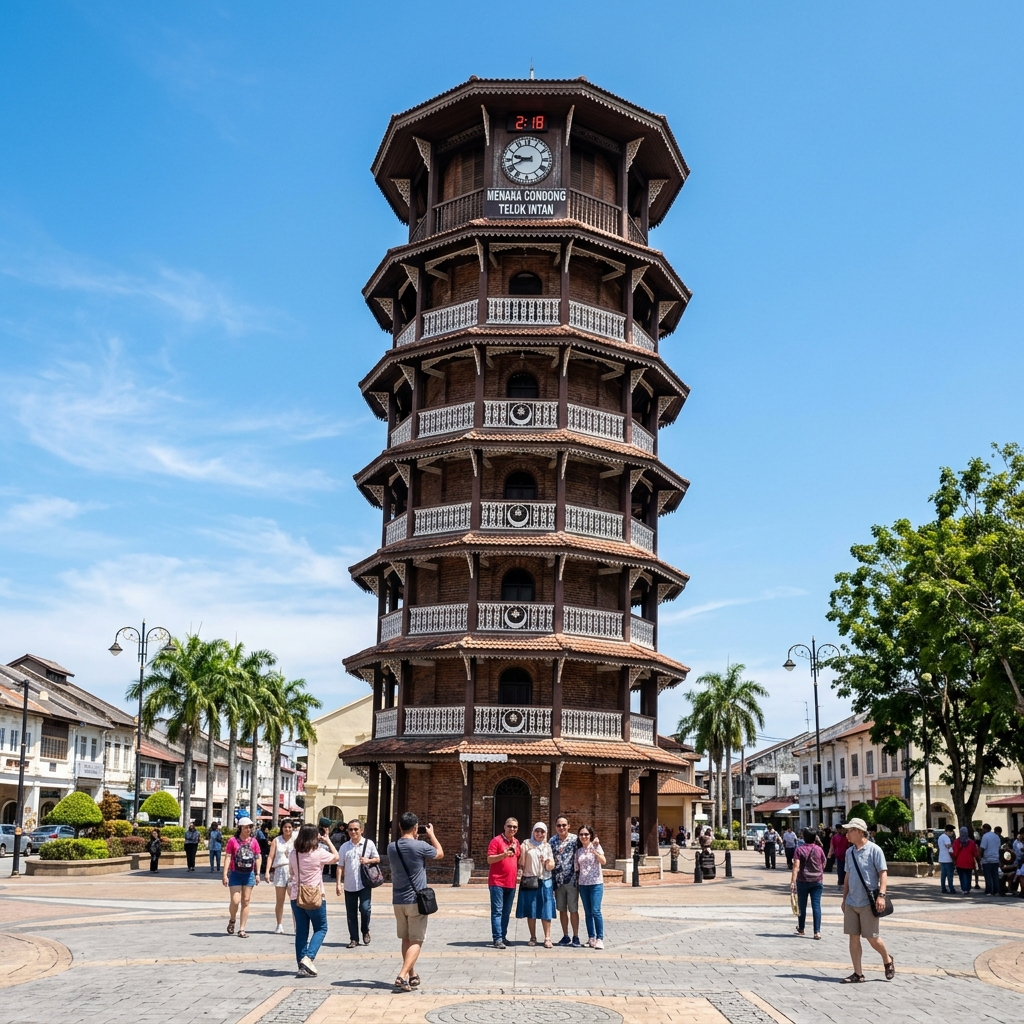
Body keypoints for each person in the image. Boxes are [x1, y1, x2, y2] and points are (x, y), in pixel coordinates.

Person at [388, 811, 442, 993]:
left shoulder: (391, 846)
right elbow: (440, 854)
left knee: (406, 938)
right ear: (416, 827)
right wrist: (432, 834)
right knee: (417, 940)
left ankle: (412, 974)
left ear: (399, 826)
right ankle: (402, 974)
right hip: (415, 900)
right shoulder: (420, 846)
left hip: (398, 900)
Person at [840, 816, 893, 983]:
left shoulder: (874, 850)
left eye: (850, 831)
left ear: (859, 832)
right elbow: (848, 876)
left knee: (873, 938)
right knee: (853, 937)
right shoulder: (850, 852)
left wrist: (882, 895)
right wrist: (844, 898)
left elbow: (882, 873)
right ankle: (858, 973)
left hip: (868, 901)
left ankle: (887, 960)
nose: (847, 834)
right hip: (851, 902)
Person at [288, 822, 338, 976]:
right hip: (315, 895)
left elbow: (292, 872)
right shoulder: (319, 853)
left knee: (301, 931)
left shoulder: (293, 853)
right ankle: (308, 958)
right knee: (321, 928)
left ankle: (301, 965)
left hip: (296, 895)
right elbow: (336, 857)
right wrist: (327, 840)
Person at [337, 818, 380, 948]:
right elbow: (340, 866)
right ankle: (354, 938)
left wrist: (368, 860)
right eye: (350, 829)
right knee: (351, 913)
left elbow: (377, 859)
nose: (353, 832)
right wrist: (338, 883)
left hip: (364, 883)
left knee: (365, 909)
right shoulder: (345, 847)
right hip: (349, 884)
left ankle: (365, 930)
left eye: (356, 829)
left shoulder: (369, 844)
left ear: (361, 830)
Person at [516, 822, 556, 948]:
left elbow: (551, 866)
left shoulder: (547, 846)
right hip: (530, 880)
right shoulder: (526, 844)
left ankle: (547, 937)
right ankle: (533, 936)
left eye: (542, 832)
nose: (539, 834)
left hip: (545, 881)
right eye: (537, 831)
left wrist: (546, 862)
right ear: (533, 832)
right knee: (531, 909)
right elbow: (521, 863)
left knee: (546, 909)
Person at [223, 817, 261, 938]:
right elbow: (228, 857)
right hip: (235, 873)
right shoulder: (232, 841)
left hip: (249, 874)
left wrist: (258, 873)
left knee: (246, 901)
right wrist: (225, 874)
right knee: (235, 900)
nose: (248, 829)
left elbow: (258, 857)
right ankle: (233, 919)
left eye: (250, 827)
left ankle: (242, 929)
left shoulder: (254, 842)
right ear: (240, 828)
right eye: (245, 827)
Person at [487, 817, 520, 949]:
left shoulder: (517, 843)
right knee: (497, 911)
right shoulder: (496, 841)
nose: (512, 829)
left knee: (506, 912)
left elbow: (518, 859)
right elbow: (489, 859)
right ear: (504, 827)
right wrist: (503, 855)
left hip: (511, 883)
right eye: (510, 826)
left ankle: (503, 936)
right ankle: (497, 938)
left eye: (515, 827)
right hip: (497, 882)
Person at [550, 816, 580, 947]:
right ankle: (566, 935)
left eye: (564, 825)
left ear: (569, 825)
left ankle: (576, 936)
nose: (561, 828)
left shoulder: (575, 840)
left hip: (572, 880)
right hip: (558, 881)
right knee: (562, 909)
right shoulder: (552, 841)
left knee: (573, 909)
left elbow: (586, 848)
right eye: (558, 825)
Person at [790, 828, 825, 940]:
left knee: (802, 906)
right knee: (816, 906)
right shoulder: (819, 849)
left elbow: (796, 867)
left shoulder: (799, 850)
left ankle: (801, 928)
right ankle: (817, 932)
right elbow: (824, 863)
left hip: (803, 881)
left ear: (804, 837)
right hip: (817, 881)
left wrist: (792, 882)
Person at [575, 824, 606, 948]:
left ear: (591, 835)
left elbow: (603, 861)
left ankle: (600, 938)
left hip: (596, 883)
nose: (584, 836)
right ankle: (591, 938)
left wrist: (595, 851)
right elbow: (577, 868)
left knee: (596, 911)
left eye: (586, 834)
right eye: (581, 834)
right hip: (583, 884)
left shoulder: (596, 846)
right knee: (588, 912)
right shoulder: (578, 851)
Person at [265, 819, 296, 934]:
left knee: (295, 900)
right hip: (280, 870)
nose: (287, 829)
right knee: (280, 900)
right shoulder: (276, 841)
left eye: (289, 827)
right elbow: (270, 857)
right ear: (282, 828)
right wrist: (267, 871)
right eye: (285, 827)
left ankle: (297, 925)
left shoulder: (296, 840)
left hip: (293, 871)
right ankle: (279, 924)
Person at [952, 826, 980, 895]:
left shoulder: (957, 842)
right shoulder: (971, 842)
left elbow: (955, 853)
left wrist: (953, 859)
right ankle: (968, 888)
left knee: (962, 876)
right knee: (968, 876)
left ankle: (964, 889)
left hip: (960, 862)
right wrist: (978, 862)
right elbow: (975, 854)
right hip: (969, 862)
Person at [979, 824, 1001, 896]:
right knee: (995, 875)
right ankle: (996, 891)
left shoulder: (985, 836)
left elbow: (982, 847)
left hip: (987, 859)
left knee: (988, 875)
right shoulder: (996, 836)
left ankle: (989, 890)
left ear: (985, 829)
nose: (982, 831)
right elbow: (999, 847)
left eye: (983, 829)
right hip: (996, 859)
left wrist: (980, 856)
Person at [937, 823, 956, 894]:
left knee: (943, 875)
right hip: (948, 859)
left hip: (942, 858)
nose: (951, 833)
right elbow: (948, 846)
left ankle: (943, 888)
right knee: (950, 875)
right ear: (949, 831)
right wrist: (954, 845)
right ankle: (951, 889)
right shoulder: (946, 838)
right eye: (951, 832)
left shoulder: (940, 837)